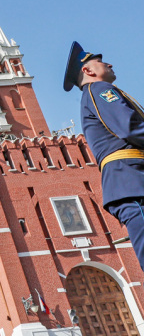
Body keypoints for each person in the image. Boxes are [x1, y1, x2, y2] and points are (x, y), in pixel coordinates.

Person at [64, 41, 144, 271]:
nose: (109, 64)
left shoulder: (95, 93)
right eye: (100, 62)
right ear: (87, 70)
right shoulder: (100, 90)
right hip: (133, 182)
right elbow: (130, 128)